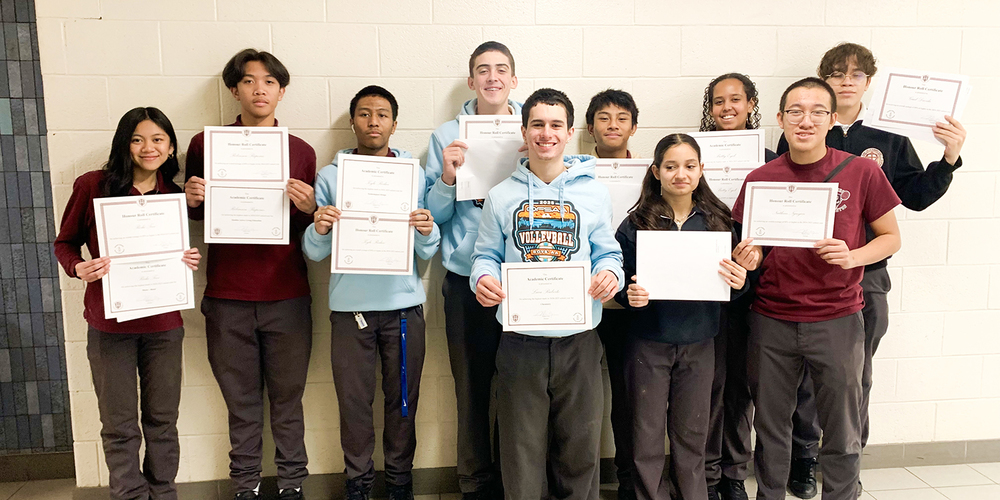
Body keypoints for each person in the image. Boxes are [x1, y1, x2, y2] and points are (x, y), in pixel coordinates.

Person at [776, 43, 966, 499]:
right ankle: (803, 458)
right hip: (807, 278)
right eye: (837, 73)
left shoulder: (890, 136)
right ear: (823, 79)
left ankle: (846, 461)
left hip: (867, 277)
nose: (846, 80)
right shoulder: (801, 130)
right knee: (805, 376)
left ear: (869, 81)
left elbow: (915, 197)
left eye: (856, 74)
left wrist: (949, 158)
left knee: (854, 373)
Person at [732, 77, 901, 500]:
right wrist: (748, 258)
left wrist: (854, 256)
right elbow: (748, 248)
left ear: (831, 119)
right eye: (795, 112)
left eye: (816, 112)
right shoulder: (760, 178)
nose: (805, 121)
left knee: (841, 429)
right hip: (772, 318)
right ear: (780, 119)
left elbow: (890, 237)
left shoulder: (861, 171)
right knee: (771, 428)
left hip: (838, 318)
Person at [471, 88, 624, 500]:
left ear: (570, 132)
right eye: (537, 124)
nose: (546, 133)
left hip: (579, 340)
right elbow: (484, 256)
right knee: (521, 454)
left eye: (556, 125)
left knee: (579, 449)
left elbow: (608, 252)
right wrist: (481, 280)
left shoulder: (593, 193)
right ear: (524, 131)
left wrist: (610, 273)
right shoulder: (501, 196)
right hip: (521, 343)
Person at [183, 48, 317, 500]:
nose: (259, 89)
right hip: (228, 296)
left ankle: (293, 484)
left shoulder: (301, 152)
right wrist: (192, 201)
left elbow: (305, 230)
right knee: (240, 404)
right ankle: (245, 486)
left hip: (286, 295)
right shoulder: (206, 145)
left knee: (287, 400)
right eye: (248, 81)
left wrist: (308, 208)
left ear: (282, 90)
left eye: (269, 82)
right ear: (234, 88)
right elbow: (202, 222)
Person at [54, 107, 201, 500]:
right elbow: (64, 242)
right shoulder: (92, 186)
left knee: (162, 421)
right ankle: (130, 495)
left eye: (158, 140)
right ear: (125, 143)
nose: (148, 148)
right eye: (138, 139)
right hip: (109, 327)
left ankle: (163, 492)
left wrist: (186, 260)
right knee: (119, 424)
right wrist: (78, 267)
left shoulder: (174, 196)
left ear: (171, 149)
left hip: (164, 327)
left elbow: (174, 253)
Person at [303, 85, 440, 500]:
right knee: (354, 405)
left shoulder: (415, 175)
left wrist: (426, 230)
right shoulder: (331, 176)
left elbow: (427, 251)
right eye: (364, 114)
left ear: (395, 125)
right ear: (352, 121)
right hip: (351, 313)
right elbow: (312, 250)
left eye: (382, 115)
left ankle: (400, 484)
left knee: (403, 404)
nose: (373, 121)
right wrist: (320, 226)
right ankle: (358, 485)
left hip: (403, 310)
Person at [616, 133, 755, 500]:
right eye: (671, 166)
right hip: (648, 343)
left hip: (700, 342)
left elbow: (736, 287)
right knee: (645, 432)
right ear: (656, 171)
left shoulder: (719, 221)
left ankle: (693, 494)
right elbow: (616, 280)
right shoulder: (635, 224)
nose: (681, 174)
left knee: (692, 433)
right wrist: (626, 294)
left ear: (701, 170)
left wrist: (741, 281)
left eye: (690, 166)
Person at [424, 41, 520, 499]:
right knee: (472, 388)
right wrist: (447, 179)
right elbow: (429, 217)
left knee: (521, 390)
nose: (492, 77)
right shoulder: (446, 135)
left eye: (501, 70)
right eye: (483, 70)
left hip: (525, 279)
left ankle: (516, 481)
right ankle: (476, 485)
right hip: (466, 280)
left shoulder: (533, 128)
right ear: (471, 81)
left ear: (514, 80)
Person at [698, 73, 777, 500]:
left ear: (751, 104)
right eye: (719, 101)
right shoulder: (694, 155)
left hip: (756, 285)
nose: (727, 107)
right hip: (705, 281)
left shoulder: (769, 160)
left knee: (741, 387)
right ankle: (707, 475)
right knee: (708, 385)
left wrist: (758, 255)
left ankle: (732, 473)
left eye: (736, 99)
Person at [584, 88, 639, 499]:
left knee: (627, 394)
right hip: (582, 295)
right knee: (579, 395)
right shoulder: (574, 176)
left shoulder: (651, 174)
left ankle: (628, 478)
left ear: (634, 127)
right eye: (604, 118)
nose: (613, 125)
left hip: (628, 302)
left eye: (622, 118)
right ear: (590, 128)